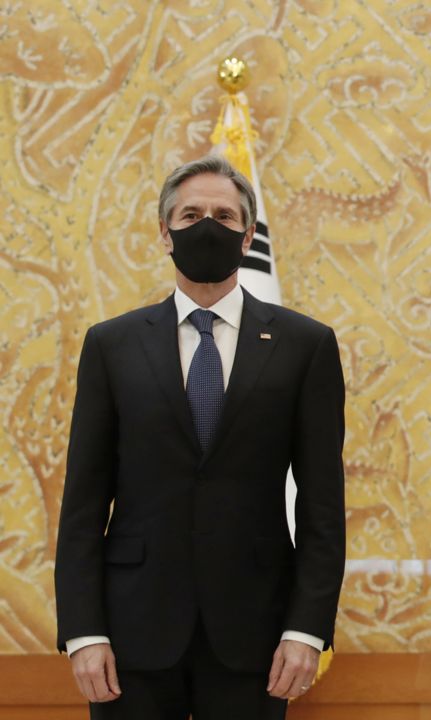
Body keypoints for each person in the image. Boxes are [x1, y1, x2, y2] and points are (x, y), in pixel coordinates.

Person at [55, 156, 347, 719]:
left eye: (224, 215)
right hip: (130, 637)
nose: (206, 225)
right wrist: (83, 631)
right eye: (190, 214)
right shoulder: (111, 346)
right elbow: (83, 506)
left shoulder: (304, 346)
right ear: (164, 233)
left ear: (247, 236)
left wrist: (307, 630)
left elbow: (323, 507)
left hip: (256, 635)